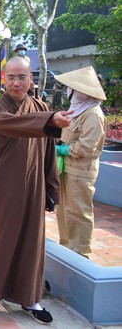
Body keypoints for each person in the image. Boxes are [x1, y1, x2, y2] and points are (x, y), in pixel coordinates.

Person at [0, 57, 73, 325]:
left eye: (21, 77)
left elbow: (48, 153)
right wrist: (49, 120)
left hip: (33, 187)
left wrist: (51, 188)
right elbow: (13, 125)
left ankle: (29, 298)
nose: (16, 82)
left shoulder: (41, 107)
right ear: (3, 79)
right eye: (11, 77)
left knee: (30, 243)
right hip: (2, 188)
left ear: (30, 79)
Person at [54, 66, 107, 258]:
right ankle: (68, 250)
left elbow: (87, 147)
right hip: (68, 168)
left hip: (80, 171)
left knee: (79, 213)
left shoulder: (92, 113)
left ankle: (81, 254)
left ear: (83, 92)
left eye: (73, 88)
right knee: (64, 211)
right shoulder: (77, 110)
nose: (69, 91)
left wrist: (63, 149)